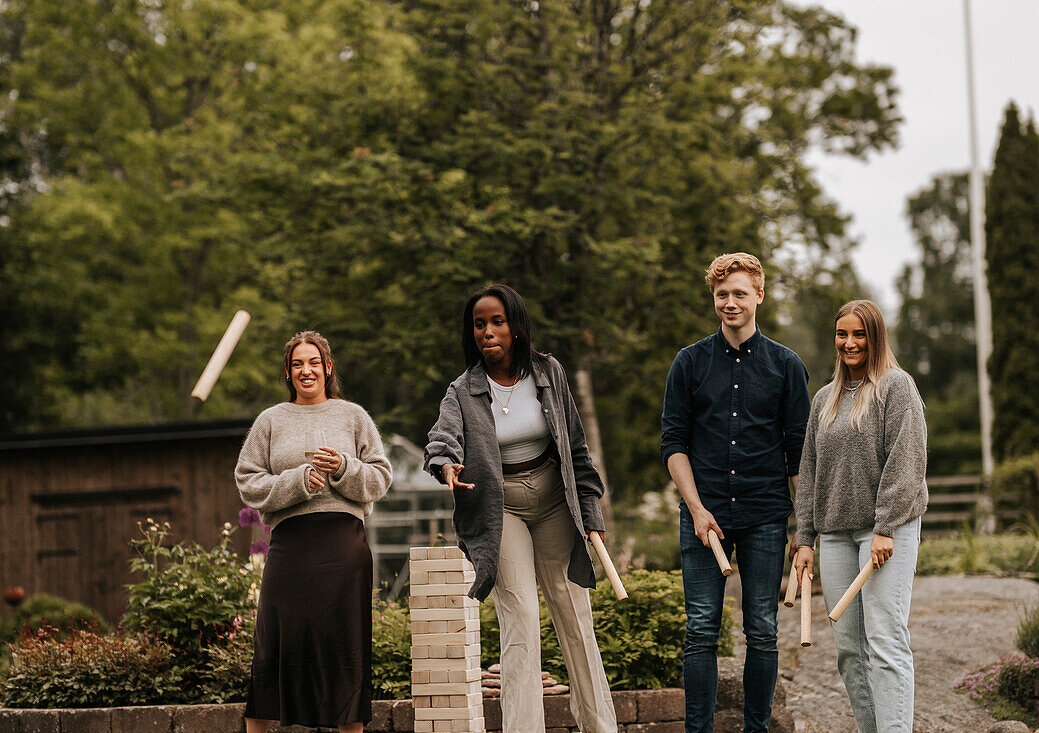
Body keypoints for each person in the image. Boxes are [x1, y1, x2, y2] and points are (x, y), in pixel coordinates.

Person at [423, 283, 616, 733]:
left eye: (497, 322)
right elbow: (443, 438)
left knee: (575, 618)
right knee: (522, 622)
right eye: (478, 324)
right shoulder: (462, 390)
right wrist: (446, 465)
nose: (487, 332)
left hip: (554, 502)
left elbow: (577, 447)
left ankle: (600, 727)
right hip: (500, 507)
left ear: (515, 326)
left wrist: (591, 515)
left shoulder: (549, 372)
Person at [661, 252, 811, 733]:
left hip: (766, 514)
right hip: (703, 518)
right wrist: (697, 509)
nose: (730, 302)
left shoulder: (787, 366)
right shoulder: (689, 363)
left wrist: (803, 530)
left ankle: (757, 729)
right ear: (713, 298)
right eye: (722, 294)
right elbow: (673, 444)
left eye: (739, 293)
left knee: (762, 632)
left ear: (759, 296)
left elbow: (799, 454)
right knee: (700, 630)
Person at [235, 330, 393, 733]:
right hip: (290, 547)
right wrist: (296, 482)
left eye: (314, 362)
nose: (306, 370)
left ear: (328, 368)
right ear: (288, 373)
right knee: (272, 647)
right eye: (297, 364)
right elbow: (248, 481)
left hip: (343, 547)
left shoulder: (353, 416)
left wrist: (342, 468)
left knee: (344, 649)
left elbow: (379, 478)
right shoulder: (270, 421)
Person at [794, 299, 928, 733]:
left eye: (859, 334)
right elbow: (810, 471)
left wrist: (886, 526)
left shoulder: (897, 386)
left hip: (886, 533)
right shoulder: (823, 400)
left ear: (875, 337)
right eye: (842, 334)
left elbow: (906, 462)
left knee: (886, 639)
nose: (849, 343)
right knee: (849, 649)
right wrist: (804, 540)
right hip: (833, 534)